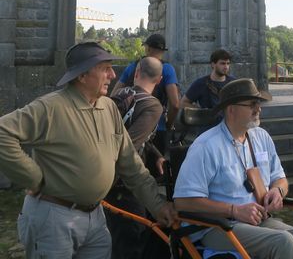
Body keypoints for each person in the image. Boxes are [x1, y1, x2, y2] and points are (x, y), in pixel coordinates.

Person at [0, 42, 176, 259]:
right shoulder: (51, 107)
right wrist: (33, 178)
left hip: (96, 218)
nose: (112, 75)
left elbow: (130, 162)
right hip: (54, 219)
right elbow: (3, 133)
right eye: (105, 68)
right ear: (82, 76)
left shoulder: (108, 107)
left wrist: (157, 206)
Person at [173, 78, 293, 259]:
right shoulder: (206, 146)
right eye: (252, 104)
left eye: (259, 103)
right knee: (284, 241)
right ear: (231, 109)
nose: (258, 109)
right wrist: (234, 210)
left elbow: (280, 178)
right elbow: (183, 202)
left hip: (257, 220)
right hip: (217, 226)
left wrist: (278, 190)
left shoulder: (261, 137)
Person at [104, 56, 164, 259]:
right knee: (131, 240)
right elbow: (129, 145)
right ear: (160, 79)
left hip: (104, 177)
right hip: (124, 184)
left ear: (136, 73)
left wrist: (155, 155)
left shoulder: (119, 94)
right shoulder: (152, 106)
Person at [112, 33, 180, 153]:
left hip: (130, 124)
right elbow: (175, 104)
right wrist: (169, 125)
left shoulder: (133, 66)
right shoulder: (167, 69)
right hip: (158, 127)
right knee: (156, 168)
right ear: (163, 51)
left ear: (147, 48)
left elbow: (114, 94)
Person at [180, 49, 235, 129]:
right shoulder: (201, 83)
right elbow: (183, 103)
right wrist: (201, 111)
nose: (226, 67)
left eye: (228, 63)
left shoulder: (233, 83)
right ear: (213, 64)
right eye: (222, 63)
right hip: (207, 129)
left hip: (228, 128)